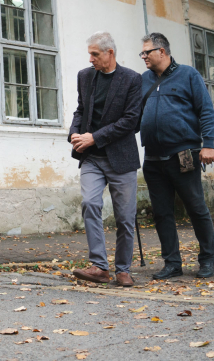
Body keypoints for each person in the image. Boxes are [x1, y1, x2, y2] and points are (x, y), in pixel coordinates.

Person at [139, 32, 214, 279]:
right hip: (152, 158)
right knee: (162, 213)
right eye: (142, 53)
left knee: (196, 208)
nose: (143, 57)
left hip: (183, 155)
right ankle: (172, 263)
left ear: (161, 51)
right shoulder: (143, 80)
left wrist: (209, 144)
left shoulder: (189, 75)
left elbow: (206, 110)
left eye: (146, 52)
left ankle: (208, 259)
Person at [68, 32, 143, 286]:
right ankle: (100, 267)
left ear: (110, 53)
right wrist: (75, 133)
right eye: (90, 54)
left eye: (95, 54)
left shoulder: (132, 79)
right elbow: (81, 110)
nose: (90, 59)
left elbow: (131, 122)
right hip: (92, 158)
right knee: (90, 203)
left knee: (124, 217)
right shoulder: (85, 76)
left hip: (121, 158)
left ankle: (123, 270)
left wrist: (95, 137)